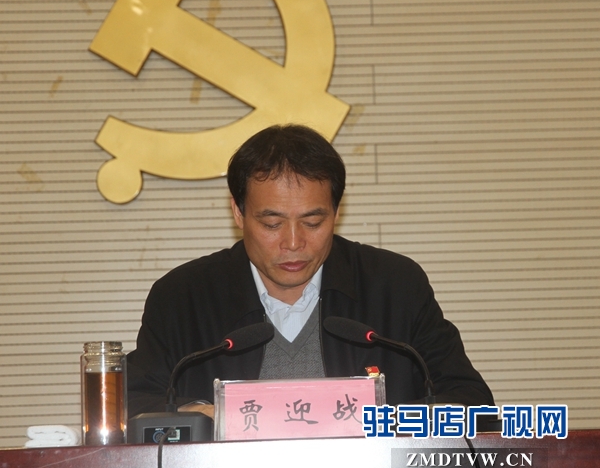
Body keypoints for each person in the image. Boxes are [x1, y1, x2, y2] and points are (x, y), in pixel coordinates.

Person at [127, 124, 494, 418]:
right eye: (272, 224)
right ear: (238, 212)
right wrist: (198, 414)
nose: (293, 242)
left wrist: (389, 422)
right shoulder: (183, 297)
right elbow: (131, 403)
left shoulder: (395, 286)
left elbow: (470, 399)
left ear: (336, 212)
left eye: (313, 222)